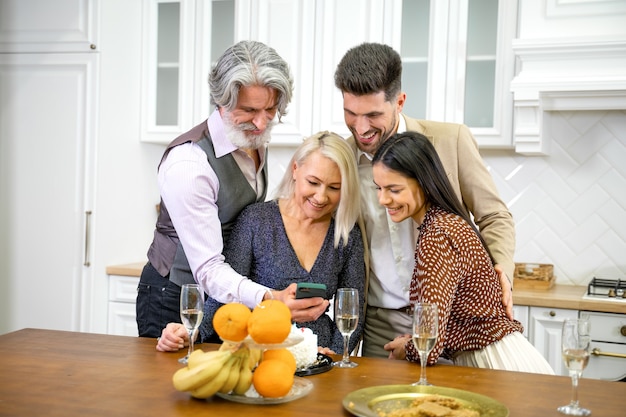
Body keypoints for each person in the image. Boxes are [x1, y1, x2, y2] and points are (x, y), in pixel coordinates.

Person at [334, 42, 517, 358]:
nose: (361, 128)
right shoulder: (342, 158)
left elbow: (494, 216)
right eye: (351, 113)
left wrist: (501, 271)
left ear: (400, 101)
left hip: (451, 320)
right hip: (380, 320)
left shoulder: (451, 141)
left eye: (373, 114)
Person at [137, 41, 328, 340]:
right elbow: (209, 268)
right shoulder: (190, 163)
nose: (261, 122)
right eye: (249, 110)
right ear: (221, 101)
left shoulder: (252, 140)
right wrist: (271, 298)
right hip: (175, 297)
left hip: (226, 298)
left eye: (270, 109)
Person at [156, 132, 365, 355]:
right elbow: (224, 296)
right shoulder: (256, 220)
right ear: (295, 170)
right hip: (257, 352)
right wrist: (193, 332)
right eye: (313, 183)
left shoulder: (346, 235)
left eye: (334, 188)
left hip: (317, 357)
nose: (321, 197)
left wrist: (334, 352)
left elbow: (354, 308)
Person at [372, 132, 553, 374]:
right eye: (379, 188)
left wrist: (408, 347)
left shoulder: (437, 234)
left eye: (394, 189)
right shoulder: (449, 222)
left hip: (495, 365)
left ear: (423, 181)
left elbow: (429, 343)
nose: (383, 199)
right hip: (508, 357)